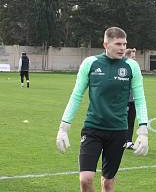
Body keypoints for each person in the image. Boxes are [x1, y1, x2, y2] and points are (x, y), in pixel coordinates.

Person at [56, 27, 149, 192]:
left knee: (107, 183)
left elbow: (140, 99)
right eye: (118, 44)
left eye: (124, 44)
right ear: (106, 44)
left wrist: (143, 130)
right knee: (85, 179)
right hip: (93, 128)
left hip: (118, 131)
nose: (122, 48)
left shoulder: (131, 66)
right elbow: (76, 95)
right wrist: (64, 126)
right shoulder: (90, 63)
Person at [124, 48, 137, 149]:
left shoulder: (134, 68)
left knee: (131, 121)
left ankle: (128, 141)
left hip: (133, 100)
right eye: (132, 57)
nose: (134, 58)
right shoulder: (124, 69)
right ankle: (122, 141)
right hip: (125, 101)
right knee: (123, 121)